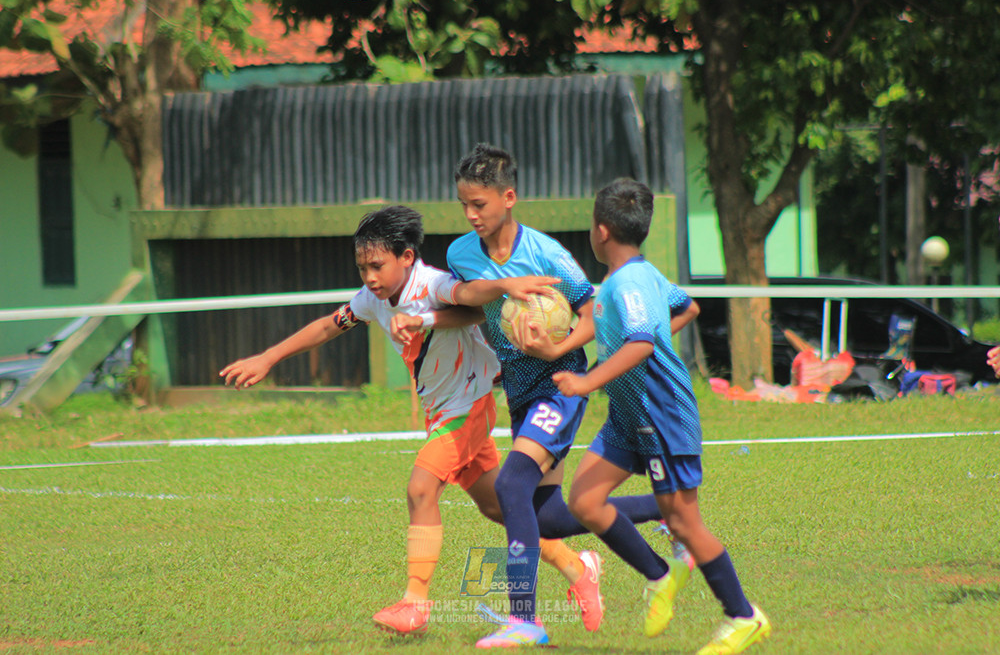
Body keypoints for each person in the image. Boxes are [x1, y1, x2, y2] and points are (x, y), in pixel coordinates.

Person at [218, 205, 603, 638]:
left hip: (469, 407)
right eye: (362, 267)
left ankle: (415, 601)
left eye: (377, 265)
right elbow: (329, 326)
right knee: (501, 508)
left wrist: (494, 289)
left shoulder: (432, 283)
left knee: (420, 487)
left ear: (406, 257)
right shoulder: (373, 299)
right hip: (443, 413)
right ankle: (579, 567)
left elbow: (472, 301)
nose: (369, 277)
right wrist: (268, 357)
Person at [442, 144, 665, 648]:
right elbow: (475, 310)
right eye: (464, 206)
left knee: (511, 484)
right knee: (550, 516)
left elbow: (592, 315)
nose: (472, 215)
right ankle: (664, 508)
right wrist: (430, 319)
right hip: (520, 391)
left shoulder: (546, 254)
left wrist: (555, 348)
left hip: (559, 383)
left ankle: (524, 619)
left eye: (480, 204)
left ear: (509, 197)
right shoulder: (460, 254)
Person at [553, 178, 772, 655]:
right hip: (629, 416)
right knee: (586, 502)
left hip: (662, 416)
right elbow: (687, 307)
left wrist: (588, 380)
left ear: (602, 231)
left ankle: (742, 616)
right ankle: (658, 576)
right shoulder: (638, 275)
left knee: (684, 524)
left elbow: (642, 342)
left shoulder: (629, 282)